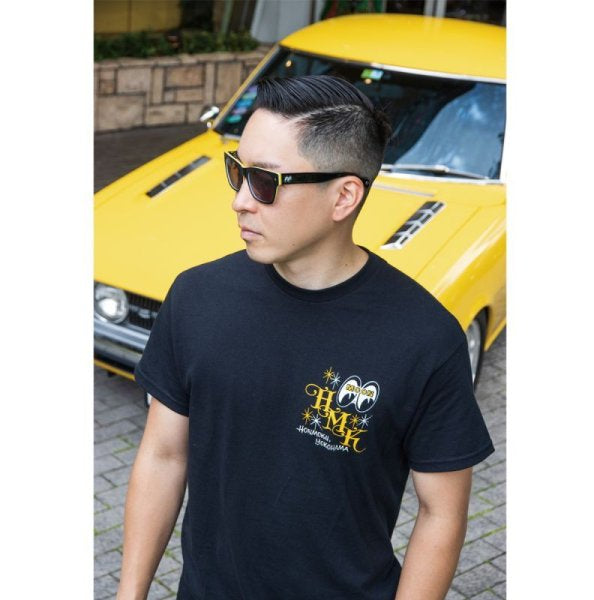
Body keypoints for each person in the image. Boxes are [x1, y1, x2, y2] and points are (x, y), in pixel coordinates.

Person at [117, 75, 494, 600]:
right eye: (238, 172)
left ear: (344, 196)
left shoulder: (425, 338)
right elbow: (163, 456)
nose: (241, 201)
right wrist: (130, 593)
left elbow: (441, 513)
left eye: (265, 181)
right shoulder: (197, 297)